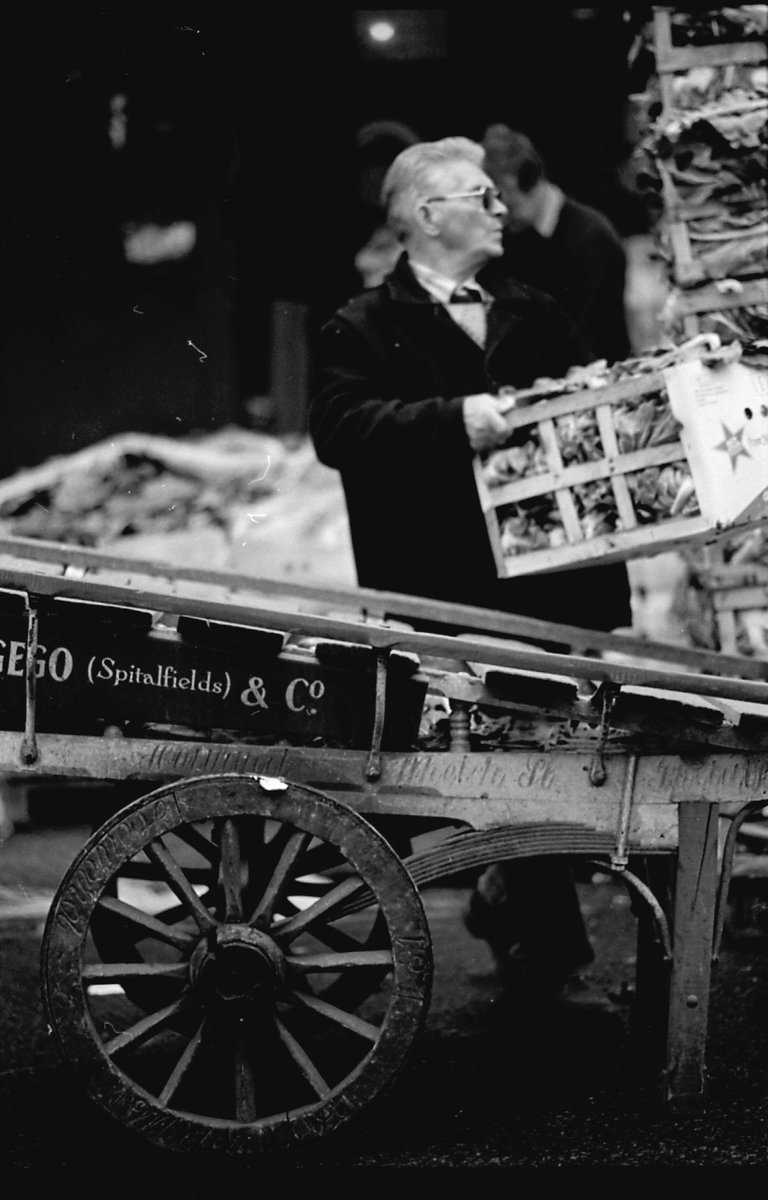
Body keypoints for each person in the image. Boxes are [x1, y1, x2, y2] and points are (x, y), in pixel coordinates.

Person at [309, 136, 631, 1010]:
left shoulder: (535, 306)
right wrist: (457, 419)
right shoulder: (361, 324)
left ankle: (527, 925)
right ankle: (511, 936)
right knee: (469, 771)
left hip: (541, 590)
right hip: (436, 586)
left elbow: (594, 407)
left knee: (543, 764)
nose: (500, 207)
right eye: (479, 196)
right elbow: (341, 430)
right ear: (425, 215)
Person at [479, 123, 632, 367]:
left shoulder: (590, 236)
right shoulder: (511, 238)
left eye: (503, 193)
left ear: (529, 179)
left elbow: (593, 337)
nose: (500, 210)